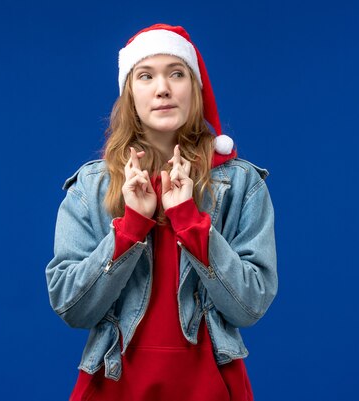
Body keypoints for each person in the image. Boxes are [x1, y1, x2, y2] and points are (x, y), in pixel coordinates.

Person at [45, 23, 278, 401]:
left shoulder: (241, 184)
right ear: (129, 94)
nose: (163, 88)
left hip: (210, 388)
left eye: (176, 73)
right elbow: (71, 305)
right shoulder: (91, 187)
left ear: (195, 89)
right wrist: (130, 229)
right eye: (146, 75)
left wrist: (190, 220)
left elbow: (250, 306)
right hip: (115, 386)